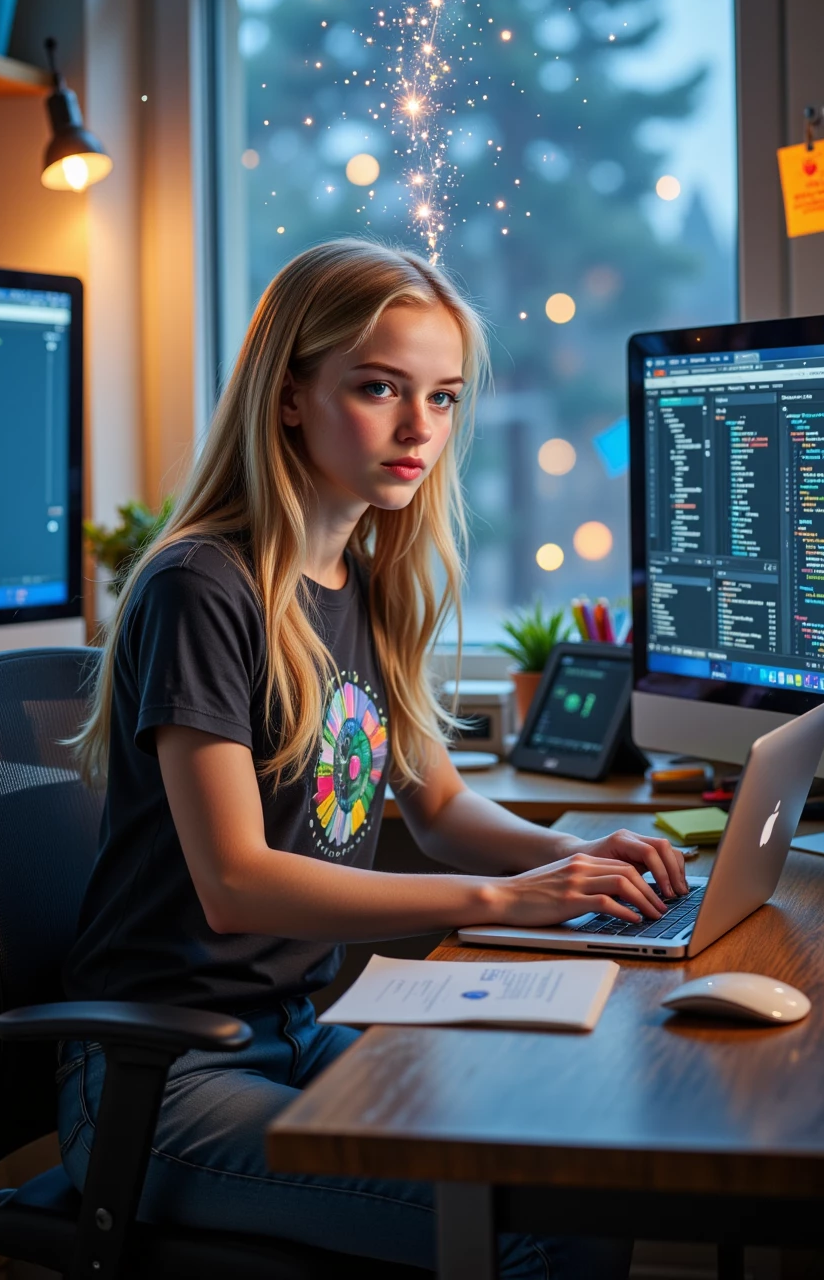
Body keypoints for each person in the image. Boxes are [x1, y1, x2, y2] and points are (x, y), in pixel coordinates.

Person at [60, 239, 687, 1277]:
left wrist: (576, 858)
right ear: (291, 395)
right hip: (160, 1079)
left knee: (575, 1180)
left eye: (441, 399)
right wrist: (503, 902)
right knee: (522, 1232)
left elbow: (436, 805)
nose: (418, 430)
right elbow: (235, 885)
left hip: (297, 1033)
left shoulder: (367, 577)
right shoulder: (200, 589)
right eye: (379, 389)